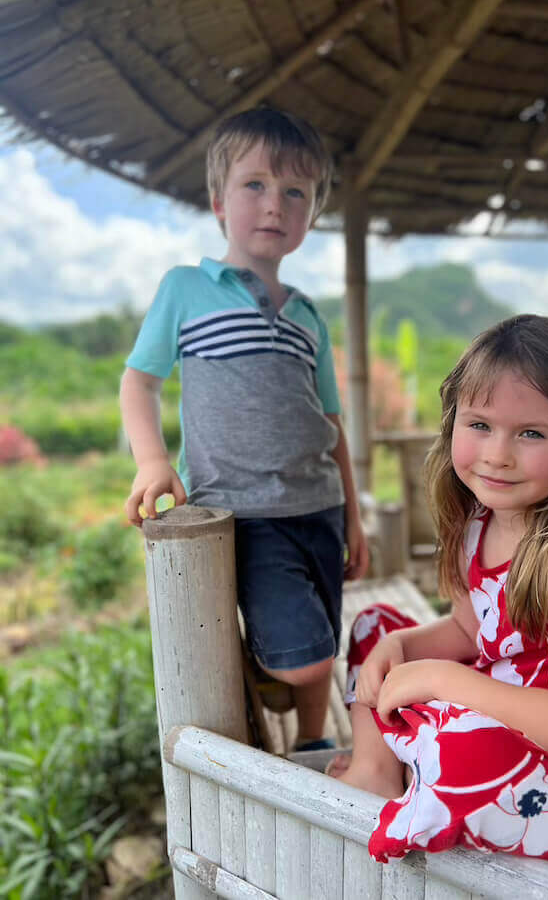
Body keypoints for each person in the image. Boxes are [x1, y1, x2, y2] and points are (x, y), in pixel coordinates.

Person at [332, 314, 548, 893]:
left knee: (465, 749)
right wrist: (403, 650)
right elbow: (475, 628)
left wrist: (442, 680)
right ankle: (376, 768)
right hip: (505, 704)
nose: (497, 455)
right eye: (480, 424)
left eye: (531, 433)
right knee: (376, 630)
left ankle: (417, 771)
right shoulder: (483, 517)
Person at [120, 107, 369, 752]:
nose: (274, 204)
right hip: (244, 512)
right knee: (306, 657)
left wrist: (356, 517)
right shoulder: (186, 289)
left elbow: (331, 423)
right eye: (254, 185)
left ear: (311, 215)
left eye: (296, 192)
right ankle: (271, 661)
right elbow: (139, 382)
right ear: (218, 202)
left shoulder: (308, 315)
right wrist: (152, 463)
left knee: (325, 634)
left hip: (321, 506)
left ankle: (314, 742)